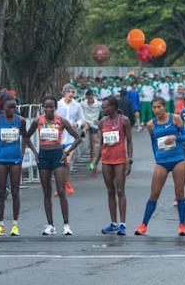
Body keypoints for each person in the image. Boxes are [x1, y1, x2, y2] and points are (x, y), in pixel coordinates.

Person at [27, 96, 82, 236]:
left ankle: (66, 225)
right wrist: (35, 151)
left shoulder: (61, 121)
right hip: (44, 156)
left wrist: (67, 151)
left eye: (51, 107)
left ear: (55, 108)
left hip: (58, 155)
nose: (49, 109)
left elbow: (78, 138)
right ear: (43, 108)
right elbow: (26, 137)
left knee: (61, 190)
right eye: (46, 106)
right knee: (46, 192)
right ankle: (50, 225)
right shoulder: (38, 121)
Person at [135, 97, 185, 236]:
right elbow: (154, 142)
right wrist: (157, 157)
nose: (156, 110)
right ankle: (143, 225)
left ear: (164, 107)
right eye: (154, 107)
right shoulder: (150, 125)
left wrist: (175, 138)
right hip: (162, 161)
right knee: (154, 193)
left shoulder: (175, 118)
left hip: (178, 159)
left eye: (159, 107)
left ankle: (182, 225)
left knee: (179, 193)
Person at [92, 95, 133, 235]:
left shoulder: (124, 120)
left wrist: (130, 160)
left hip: (120, 160)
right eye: (102, 107)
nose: (102, 109)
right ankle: (113, 223)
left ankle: (123, 224)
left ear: (113, 107)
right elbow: (102, 143)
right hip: (106, 160)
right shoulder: (103, 122)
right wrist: (95, 162)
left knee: (120, 191)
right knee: (110, 191)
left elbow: (129, 141)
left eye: (105, 107)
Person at [0, 98, 27, 237]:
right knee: (1, 192)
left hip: (15, 158)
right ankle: (1, 225)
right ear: (3, 108)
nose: (12, 110)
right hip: (1, 158)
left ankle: (15, 225)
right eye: (10, 107)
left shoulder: (20, 120)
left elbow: (25, 136)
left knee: (15, 191)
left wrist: (22, 153)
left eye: (14, 107)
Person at [57, 84, 83, 196]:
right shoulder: (57, 105)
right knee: (59, 163)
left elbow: (82, 119)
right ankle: (60, 185)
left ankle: (66, 183)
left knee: (67, 161)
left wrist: (77, 124)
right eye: (69, 92)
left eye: (73, 92)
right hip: (58, 138)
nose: (71, 94)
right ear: (64, 93)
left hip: (71, 138)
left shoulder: (77, 105)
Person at [80, 89, 103, 166]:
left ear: (93, 96)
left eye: (90, 98)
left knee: (93, 144)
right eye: (88, 98)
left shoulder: (99, 104)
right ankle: (83, 134)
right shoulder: (82, 104)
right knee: (85, 126)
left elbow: (105, 112)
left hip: (94, 124)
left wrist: (100, 121)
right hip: (86, 122)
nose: (89, 100)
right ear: (86, 97)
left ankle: (92, 163)